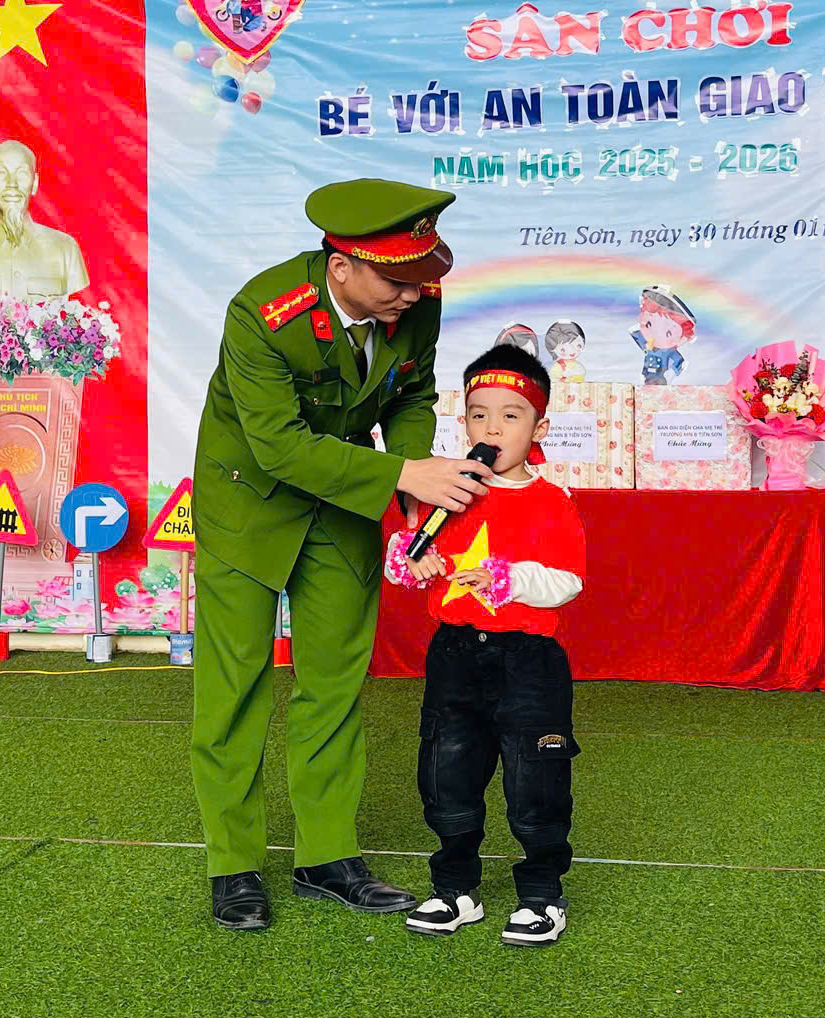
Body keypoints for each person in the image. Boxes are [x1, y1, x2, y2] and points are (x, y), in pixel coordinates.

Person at [191, 178, 496, 932]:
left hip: (344, 504)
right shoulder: (262, 314)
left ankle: (326, 857)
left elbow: (411, 395)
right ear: (341, 268)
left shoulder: (413, 301)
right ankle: (234, 864)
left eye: (421, 279)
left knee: (333, 683)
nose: (413, 295)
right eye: (397, 282)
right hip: (251, 503)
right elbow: (279, 446)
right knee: (235, 686)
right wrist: (402, 476)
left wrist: (417, 490)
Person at [385, 344, 588, 947]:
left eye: (510, 415)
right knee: (446, 768)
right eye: (479, 414)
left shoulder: (553, 501)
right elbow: (416, 554)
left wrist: (511, 578)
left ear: (539, 427)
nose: (492, 428)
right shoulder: (447, 492)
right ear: (464, 421)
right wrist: (412, 561)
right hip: (455, 654)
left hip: (529, 662)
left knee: (535, 778)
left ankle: (541, 895)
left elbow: (568, 581)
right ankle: (455, 888)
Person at [0, 139, 91, 302]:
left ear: (35, 183)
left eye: (22, 174)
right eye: (1, 174)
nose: (12, 184)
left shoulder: (65, 249)